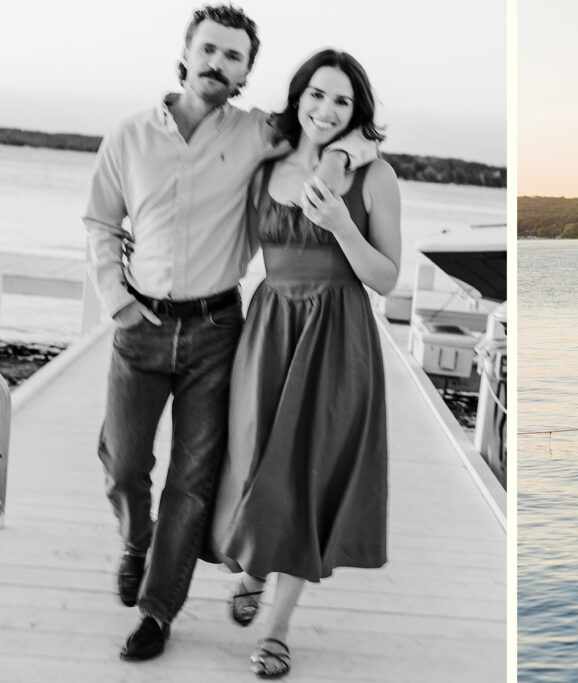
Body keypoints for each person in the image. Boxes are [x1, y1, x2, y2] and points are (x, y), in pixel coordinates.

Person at [83, 5, 376, 662]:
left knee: (192, 477)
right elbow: (100, 224)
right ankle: (137, 539)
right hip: (140, 328)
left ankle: (158, 611)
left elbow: (332, 123)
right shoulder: (127, 137)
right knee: (123, 465)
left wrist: (352, 151)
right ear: (186, 52)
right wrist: (117, 302)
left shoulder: (256, 133)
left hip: (219, 329)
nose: (218, 63)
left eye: (234, 56)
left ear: (246, 72)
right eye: (209, 49)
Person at [207, 49, 400, 679]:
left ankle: (278, 626)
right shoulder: (266, 166)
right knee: (255, 462)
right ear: (298, 97)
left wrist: (344, 226)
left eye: (341, 100)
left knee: (308, 478)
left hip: (337, 337)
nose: (325, 109)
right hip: (268, 328)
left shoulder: (376, 179)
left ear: (356, 112)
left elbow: (387, 279)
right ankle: (254, 568)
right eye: (316, 94)